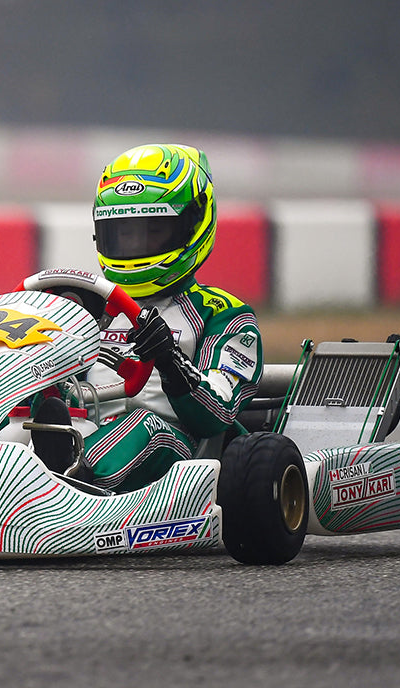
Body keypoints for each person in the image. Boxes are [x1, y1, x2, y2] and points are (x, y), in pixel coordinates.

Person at [68, 143, 263, 492]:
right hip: (81, 431)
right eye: (124, 232)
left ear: (193, 223)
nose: (135, 243)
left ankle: (67, 485)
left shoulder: (224, 314)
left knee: (142, 425)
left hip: (178, 453)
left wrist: (170, 361)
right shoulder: (90, 308)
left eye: (153, 230)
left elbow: (218, 413)